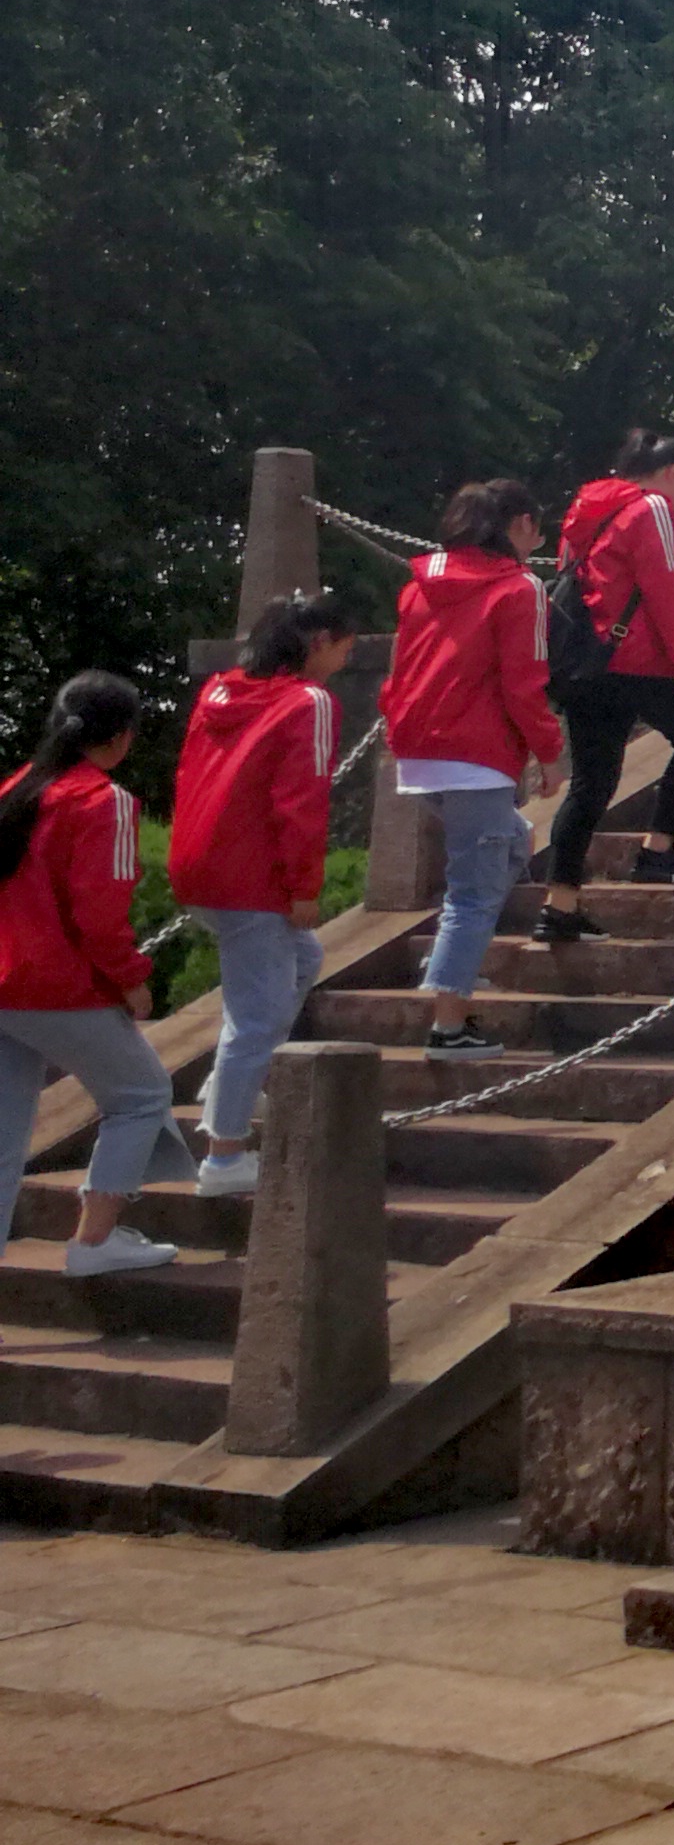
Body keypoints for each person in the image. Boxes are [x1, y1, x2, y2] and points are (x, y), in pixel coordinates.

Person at [166, 592, 356, 1197]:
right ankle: (223, 1155)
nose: (347, 658)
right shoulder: (309, 702)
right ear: (319, 643)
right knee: (258, 1018)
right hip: (254, 877)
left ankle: (228, 1088)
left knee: (303, 961)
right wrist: (303, 887)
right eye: (345, 646)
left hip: (199, 863)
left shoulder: (218, 691)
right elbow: (301, 802)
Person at [0, 674, 189, 1274]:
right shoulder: (103, 801)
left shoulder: (14, 789)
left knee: (4, 1137)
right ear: (123, 736)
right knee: (142, 1096)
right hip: (59, 987)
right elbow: (99, 913)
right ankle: (94, 1242)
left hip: (4, 981)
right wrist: (130, 977)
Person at [381, 482, 561, 1049]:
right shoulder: (519, 587)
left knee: (513, 842)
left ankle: (450, 961)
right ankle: (449, 1024)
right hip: (477, 755)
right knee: (473, 893)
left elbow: (400, 668)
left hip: (419, 748)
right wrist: (550, 753)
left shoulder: (419, 586)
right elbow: (524, 683)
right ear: (520, 525)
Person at [538, 434, 674, 936]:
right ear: (672, 472)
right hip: (636, 659)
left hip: (587, 662)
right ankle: (659, 849)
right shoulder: (652, 508)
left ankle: (559, 907)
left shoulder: (587, 510)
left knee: (590, 785)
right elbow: (667, 594)